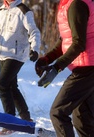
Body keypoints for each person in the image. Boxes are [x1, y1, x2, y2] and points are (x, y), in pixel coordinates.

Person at [0, 0, 41, 135]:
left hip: (17, 54)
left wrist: (35, 49)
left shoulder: (23, 10)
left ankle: (9, 122)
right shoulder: (0, 11)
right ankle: (26, 118)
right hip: (3, 54)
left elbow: (34, 31)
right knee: (11, 86)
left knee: (2, 85)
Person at [35, 0, 94, 136]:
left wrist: (56, 67)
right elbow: (66, 39)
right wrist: (47, 58)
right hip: (86, 67)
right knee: (82, 119)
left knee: (58, 112)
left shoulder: (77, 4)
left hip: (86, 69)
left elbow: (79, 43)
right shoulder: (68, 4)